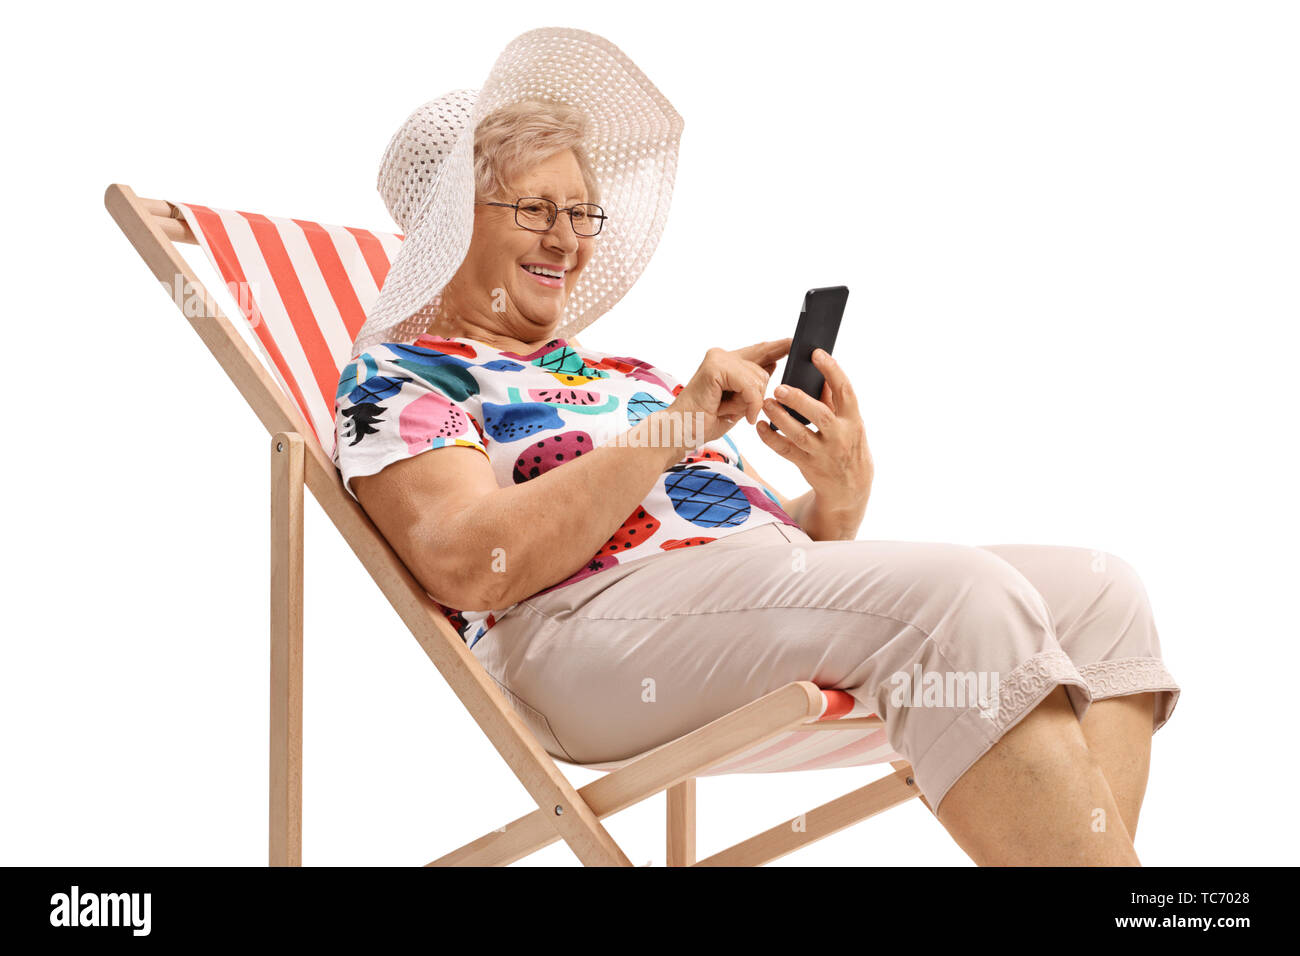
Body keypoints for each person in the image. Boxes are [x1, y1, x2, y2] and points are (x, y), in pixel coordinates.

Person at [334, 27, 1180, 866]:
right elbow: (466, 562)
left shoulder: (621, 372)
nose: (567, 239)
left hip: (705, 614)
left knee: (1103, 599)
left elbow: (776, 573)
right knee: (965, 598)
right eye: (533, 209)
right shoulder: (402, 377)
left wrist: (837, 491)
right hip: (573, 646)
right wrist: (671, 429)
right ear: (448, 228)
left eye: (577, 211)